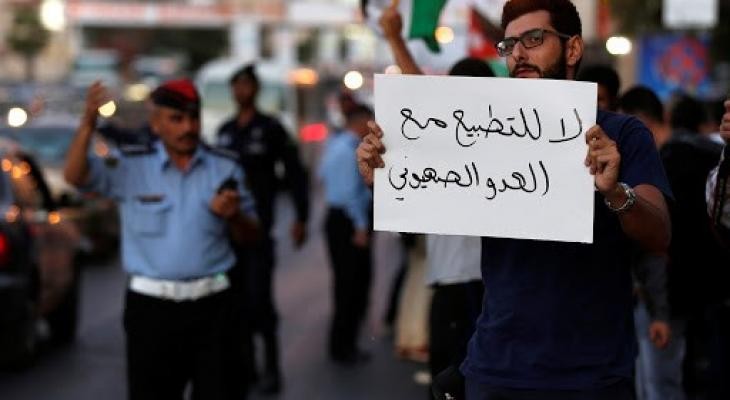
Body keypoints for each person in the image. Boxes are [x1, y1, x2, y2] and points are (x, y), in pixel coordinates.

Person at [357, 0, 672, 398]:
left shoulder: (622, 135)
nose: (518, 54)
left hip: (590, 376)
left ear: (573, 49)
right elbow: (426, 192)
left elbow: (659, 234)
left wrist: (614, 192)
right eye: (508, 45)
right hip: (495, 369)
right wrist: (384, 177)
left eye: (534, 39)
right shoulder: (488, 130)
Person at [64, 79, 258, 400]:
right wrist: (88, 123)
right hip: (152, 310)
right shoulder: (130, 166)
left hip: (215, 308)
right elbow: (75, 176)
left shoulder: (225, 167)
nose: (188, 128)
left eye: (193, 118)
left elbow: (252, 236)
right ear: (156, 124)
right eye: (176, 119)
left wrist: (234, 215)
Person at [378, 5, 489, 399]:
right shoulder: (454, 137)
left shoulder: (470, 138)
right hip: (463, 282)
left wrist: (394, 37)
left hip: (465, 283)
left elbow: (419, 95)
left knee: (452, 382)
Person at [216, 64, 309, 394]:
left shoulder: (271, 128)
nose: (241, 91)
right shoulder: (225, 131)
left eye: (247, 85)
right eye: (236, 85)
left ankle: (271, 369)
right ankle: (247, 369)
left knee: (260, 302)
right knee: (234, 304)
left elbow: (295, 173)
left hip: (259, 231)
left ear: (256, 90)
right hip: (229, 233)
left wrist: (301, 217)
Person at [618, 86, 682, 400]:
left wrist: (660, 312)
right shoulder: (688, 156)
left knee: (657, 385)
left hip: (665, 296)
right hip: (673, 296)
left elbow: (657, 245)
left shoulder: (661, 165)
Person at [319, 104, 374, 365]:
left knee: (347, 285)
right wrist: (360, 226)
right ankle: (343, 347)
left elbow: (321, 175)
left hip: (339, 219)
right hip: (348, 222)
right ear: (360, 121)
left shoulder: (335, 144)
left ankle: (343, 344)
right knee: (350, 287)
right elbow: (351, 193)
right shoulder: (350, 148)